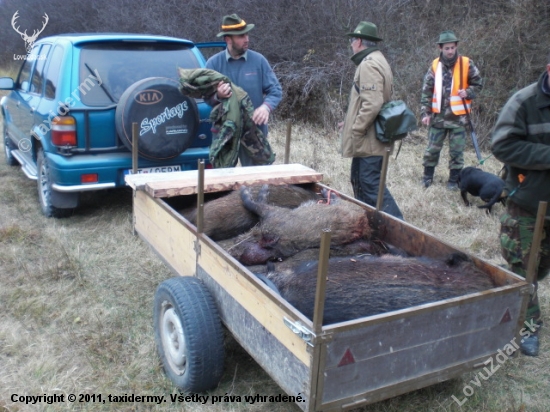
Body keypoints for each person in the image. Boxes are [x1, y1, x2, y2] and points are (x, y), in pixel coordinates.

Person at [491, 54, 550, 357]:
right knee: (523, 265)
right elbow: (501, 145)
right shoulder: (524, 102)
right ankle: (528, 326)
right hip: (527, 201)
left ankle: (511, 289)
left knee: (539, 266)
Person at [340, 21, 404, 220]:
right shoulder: (377, 59)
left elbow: (373, 104)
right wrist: (349, 123)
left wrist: (356, 129)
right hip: (372, 136)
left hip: (369, 139)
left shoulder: (368, 64)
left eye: (352, 41)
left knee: (371, 186)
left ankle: (400, 231)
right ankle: (370, 226)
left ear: (358, 41)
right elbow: (369, 101)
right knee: (359, 181)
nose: (351, 45)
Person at [206, 13, 282, 166]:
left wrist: (266, 107)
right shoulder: (213, 64)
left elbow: (276, 90)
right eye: (241, 36)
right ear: (228, 39)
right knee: (223, 182)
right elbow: (206, 98)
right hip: (224, 133)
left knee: (257, 183)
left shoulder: (259, 61)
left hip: (253, 132)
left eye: (247, 34)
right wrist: (218, 96)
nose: (246, 39)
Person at [420, 30, 483, 190]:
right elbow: (427, 90)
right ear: (440, 48)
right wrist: (425, 113)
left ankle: (453, 181)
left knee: (457, 152)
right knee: (432, 150)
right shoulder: (435, 65)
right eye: (446, 48)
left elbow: (478, 84)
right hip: (437, 118)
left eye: (452, 48)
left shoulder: (467, 63)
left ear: (456, 47)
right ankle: (427, 177)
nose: (450, 51)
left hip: (459, 118)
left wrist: (468, 92)